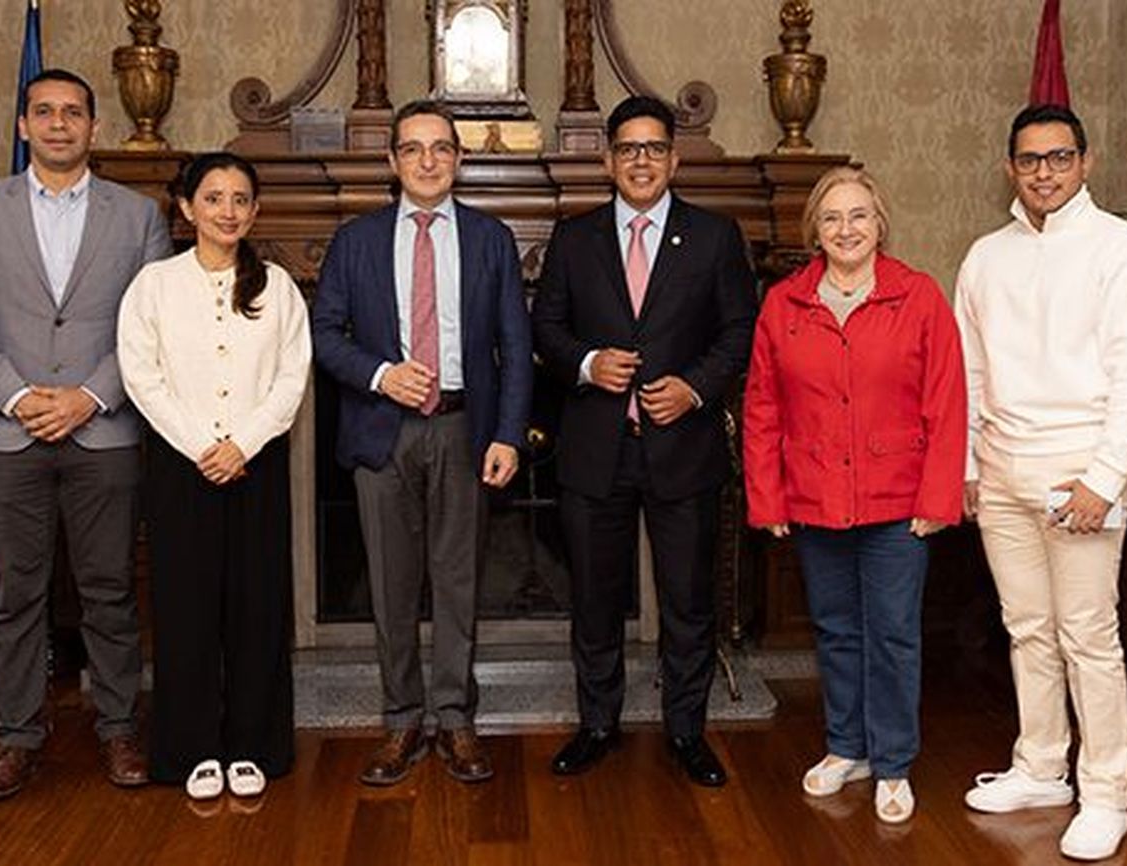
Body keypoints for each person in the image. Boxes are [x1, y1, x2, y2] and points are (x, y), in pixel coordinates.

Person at [0, 68, 172, 801]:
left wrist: (90, 397)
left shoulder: (139, 216)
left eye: (72, 112)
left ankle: (119, 729)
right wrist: (16, 396)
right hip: (7, 435)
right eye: (44, 111)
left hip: (105, 434)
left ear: (94, 127)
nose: (59, 123)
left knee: (110, 591)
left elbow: (153, 322)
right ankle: (17, 737)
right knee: (14, 598)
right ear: (24, 125)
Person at [956, 103, 1127, 861]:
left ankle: (1106, 794)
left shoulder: (1123, 250)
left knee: (1088, 635)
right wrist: (969, 467)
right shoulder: (986, 257)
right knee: (1027, 628)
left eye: (1059, 157)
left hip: (1082, 471)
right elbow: (970, 372)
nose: (1044, 172)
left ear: (1085, 161)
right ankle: (1042, 768)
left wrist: (1105, 479)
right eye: (1029, 159)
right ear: (1010, 168)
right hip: (1001, 471)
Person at [532, 95, 757, 788]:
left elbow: (740, 332)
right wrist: (586, 364)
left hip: (682, 446)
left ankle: (686, 731)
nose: (641, 161)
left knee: (687, 602)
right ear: (608, 161)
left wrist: (694, 388)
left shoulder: (715, 237)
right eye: (628, 148)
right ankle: (598, 725)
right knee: (595, 601)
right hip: (595, 450)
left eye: (653, 148)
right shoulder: (575, 239)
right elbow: (546, 328)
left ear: (673, 160)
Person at [310, 100, 533, 786]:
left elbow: (516, 347)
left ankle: (456, 718)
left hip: (467, 428)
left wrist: (508, 435)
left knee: (459, 582)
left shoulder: (491, 239)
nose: (427, 161)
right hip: (383, 430)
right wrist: (382, 375)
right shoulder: (356, 240)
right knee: (392, 583)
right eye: (412, 148)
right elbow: (324, 335)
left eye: (440, 148)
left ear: (458, 160)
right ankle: (402, 717)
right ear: (392, 160)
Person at [742, 166, 965, 822]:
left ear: (880, 224)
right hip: (815, 497)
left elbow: (947, 402)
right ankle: (847, 747)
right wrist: (768, 498)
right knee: (836, 630)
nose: (846, 229)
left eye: (859, 215)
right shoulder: (783, 303)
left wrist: (938, 499)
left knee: (892, 634)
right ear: (815, 230)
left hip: (899, 503)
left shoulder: (918, 296)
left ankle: (893, 762)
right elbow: (762, 407)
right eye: (832, 217)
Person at [117, 153, 311, 801]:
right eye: (213, 198)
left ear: (255, 211)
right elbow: (142, 376)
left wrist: (243, 444)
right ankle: (191, 747)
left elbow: (291, 378)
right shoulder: (153, 285)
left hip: (258, 464)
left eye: (240, 199)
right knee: (186, 609)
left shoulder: (278, 286)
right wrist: (203, 445)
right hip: (182, 467)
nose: (227, 211)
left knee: (258, 608)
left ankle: (255, 744)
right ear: (186, 207)